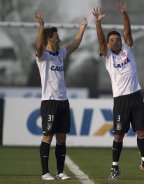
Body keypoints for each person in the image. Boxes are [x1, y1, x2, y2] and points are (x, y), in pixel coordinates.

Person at [92, 2, 144, 180]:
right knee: (119, 134)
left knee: (141, 132)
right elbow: (101, 42)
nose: (115, 42)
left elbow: (127, 34)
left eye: (117, 40)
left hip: (136, 96)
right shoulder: (108, 56)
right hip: (120, 101)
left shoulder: (127, 50)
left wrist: (125, 15)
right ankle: (115, 167)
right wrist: (98, 23)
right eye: (112, 40)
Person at [35, 11, 87, 180]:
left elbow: (75, 44)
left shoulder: (60, 54)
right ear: (50, 39)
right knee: (48, 136)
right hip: (50, 102)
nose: (59, 39)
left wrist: (82, 28)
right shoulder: (43, 57)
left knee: (62, 138)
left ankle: (60, 172)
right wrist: (41, 27)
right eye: (56, 36)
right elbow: (38, 47)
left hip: (63, 101)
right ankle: (44, 173)